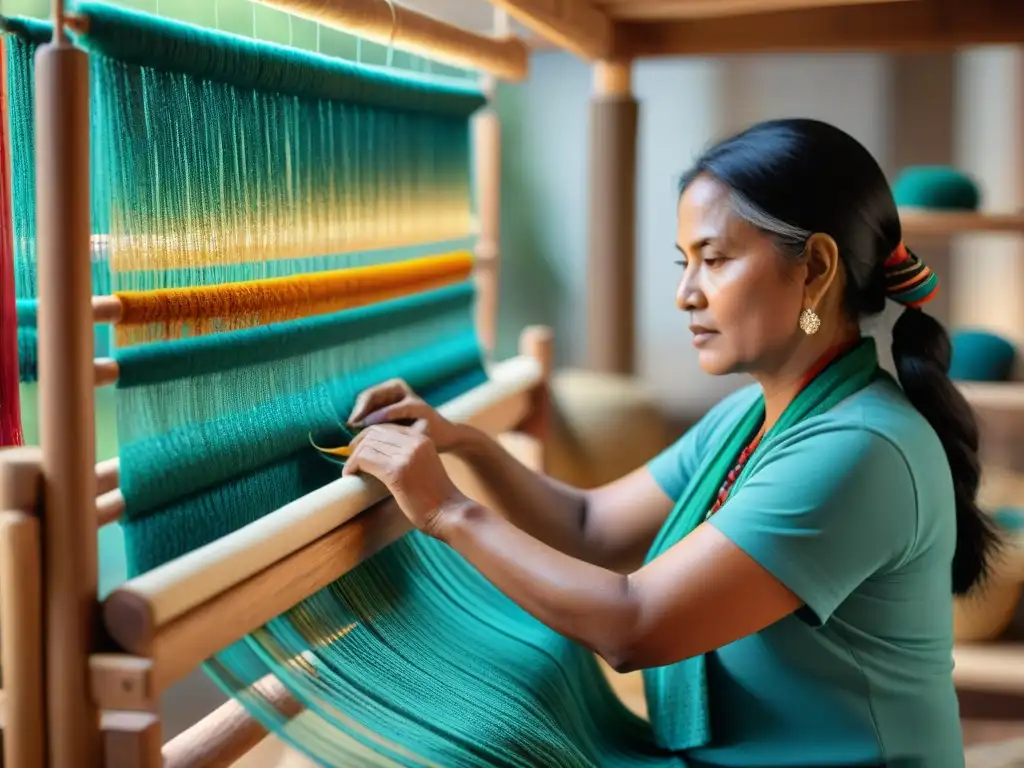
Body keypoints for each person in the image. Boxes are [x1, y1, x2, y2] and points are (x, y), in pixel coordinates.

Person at [340, 118, 997, 768]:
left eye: (713, 260)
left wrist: (446, 511)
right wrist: (467, 444)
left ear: (816, 269)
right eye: (684, 263)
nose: (685, 294)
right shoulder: (754, 417)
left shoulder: (860, 450)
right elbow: (590, 526)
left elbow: (635, 626)